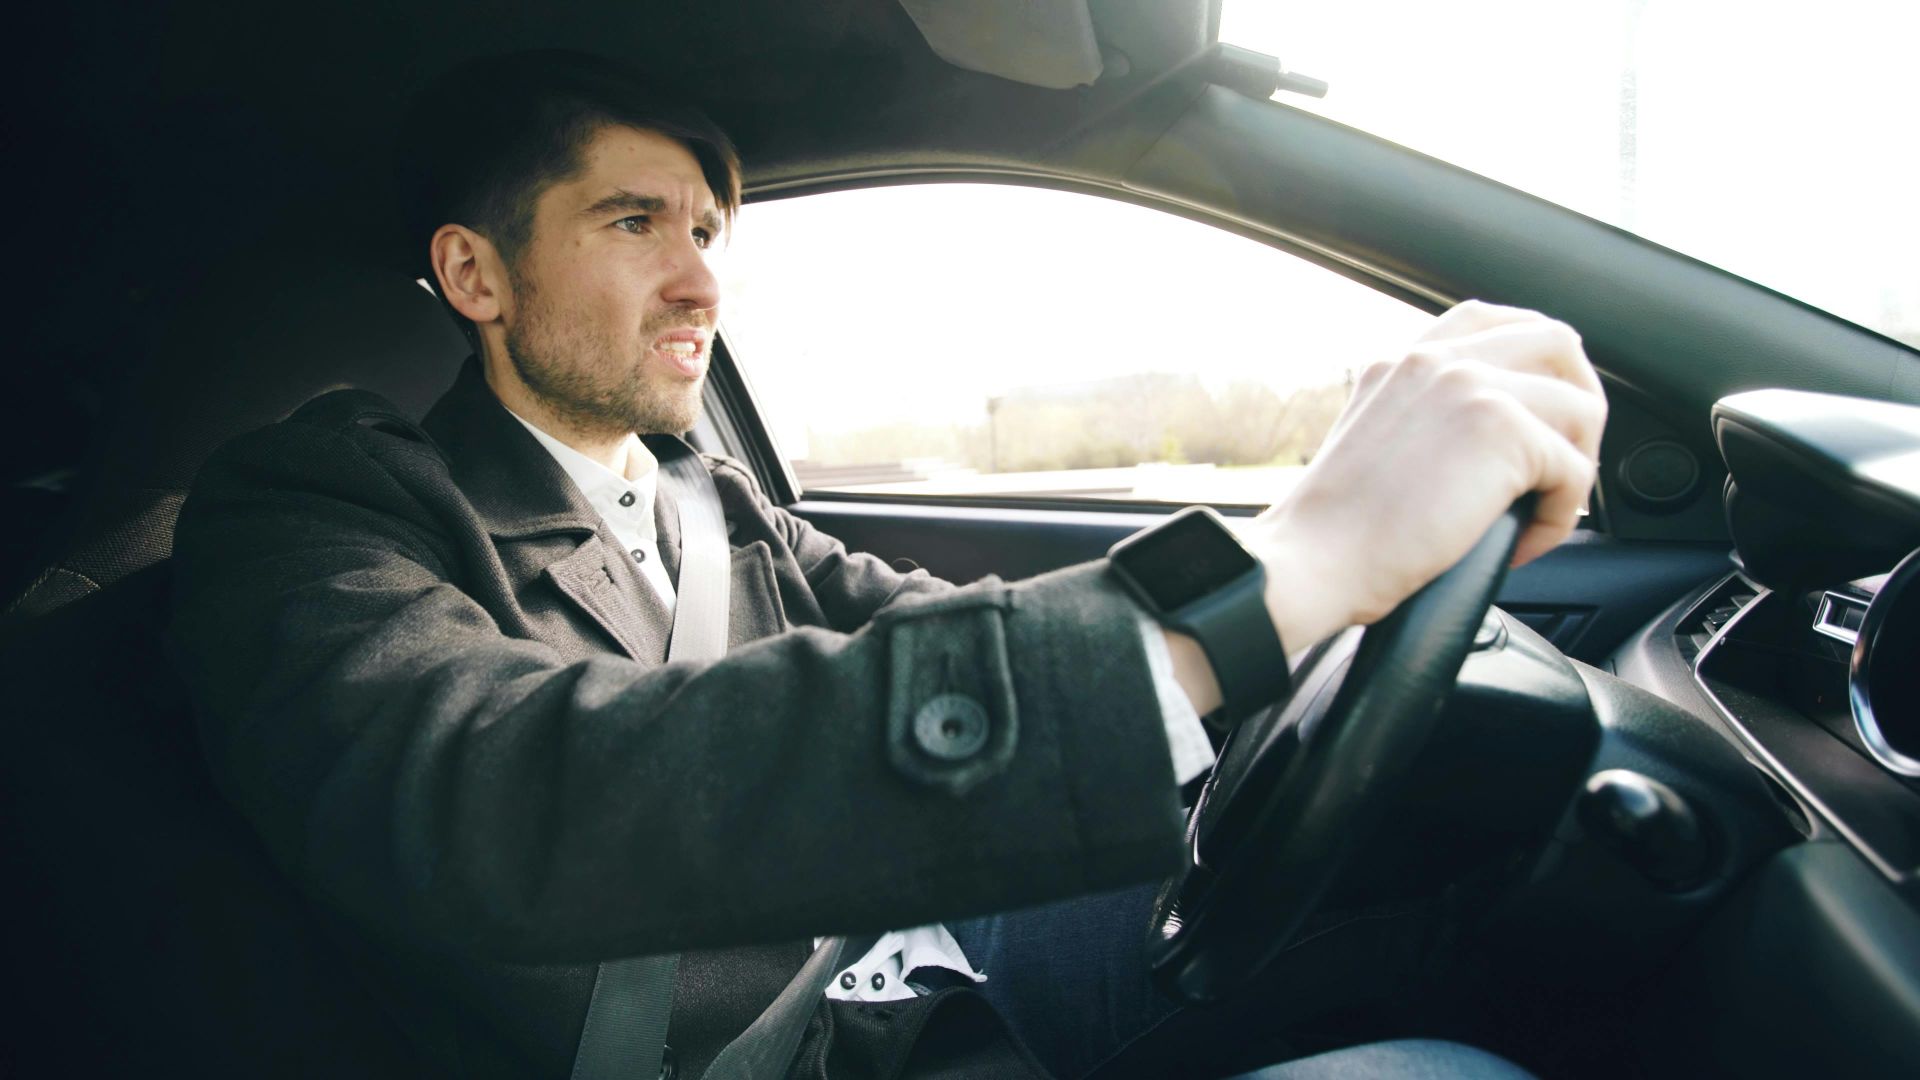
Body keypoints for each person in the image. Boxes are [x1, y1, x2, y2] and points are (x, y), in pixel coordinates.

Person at [166, 51, 1603, 1080]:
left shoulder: (700, 494)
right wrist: (1292, 573)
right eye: (632, 223)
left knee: (1451, 938)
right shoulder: (312, 515)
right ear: (478, 278)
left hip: (888, 981)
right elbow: (502, 796)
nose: (700, 280)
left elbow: (938, 627)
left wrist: (1254, 570)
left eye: (708, 231)